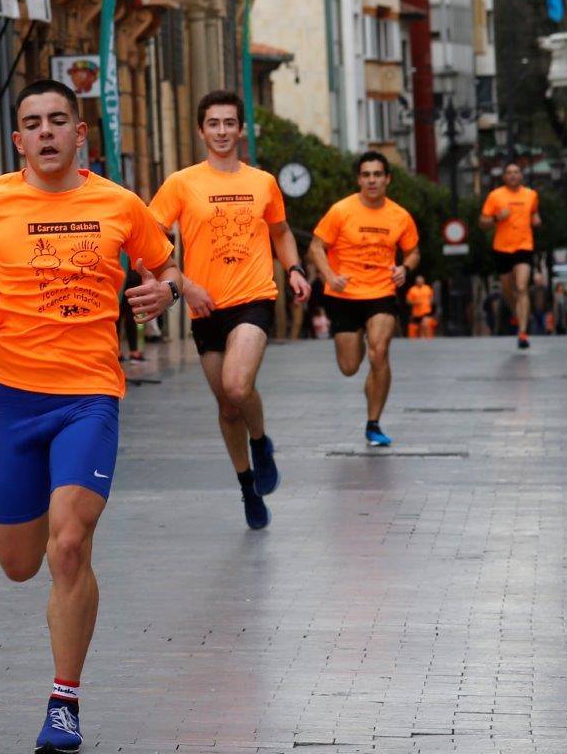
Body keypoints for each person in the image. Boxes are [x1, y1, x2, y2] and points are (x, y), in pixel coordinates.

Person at [0, 79, 182, 754]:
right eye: (32, 123)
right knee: (19, 562)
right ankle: (63, 648)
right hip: (15, 405)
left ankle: (64, 702)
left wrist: (163, 292)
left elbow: (168, 266)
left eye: (58, 120)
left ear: (79, 131)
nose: (46, 132)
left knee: (69, 544)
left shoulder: (118, 204)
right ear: (18, 139)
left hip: (90, 396)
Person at [149, 90, 310, 530]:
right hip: (205, 308)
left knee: (238, 388)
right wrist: (183, 284)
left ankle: (261, 444)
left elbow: (280, 232)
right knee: (226, 408)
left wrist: (293, 268)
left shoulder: (263, 182)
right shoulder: (182, 183)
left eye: (229, 124)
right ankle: (246, 487)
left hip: (254, 298)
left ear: (242, 130)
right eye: (213, 124)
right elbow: (147, 241)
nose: (222, 132)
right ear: (202, 131)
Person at [309, 151, 420, 447]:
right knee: (349, 367)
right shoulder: (340, 211)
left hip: (381, 292)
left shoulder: (400, 216)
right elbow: (316, 247)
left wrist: (404, 268)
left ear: (387, 179)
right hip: (344, 294)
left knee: (379, 352)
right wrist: (329, 276)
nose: (372, 180)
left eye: (377, 174)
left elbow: (413, 251)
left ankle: (373, 423)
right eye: (366, 175)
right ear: (359, 179)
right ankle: (372, 386)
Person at [479, 163, 541, 349]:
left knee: (522, 287)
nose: (513, 175)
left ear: (521, 175)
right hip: (502, 248)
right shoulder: (495, 196)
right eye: (509, 173)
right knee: (507, 290)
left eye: (516, 172)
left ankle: (522, 332)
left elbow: (535, 214)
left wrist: (537, 220)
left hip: (524, 246)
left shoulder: (531, 195)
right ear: (504, 177)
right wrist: (497, 218)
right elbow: (482, 222)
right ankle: (519, 313)